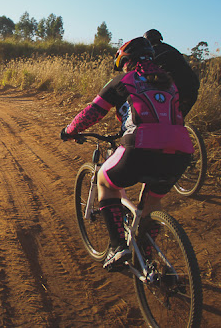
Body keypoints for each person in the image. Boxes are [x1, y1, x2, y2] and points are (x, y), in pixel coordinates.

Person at [61, 37, 194, 271]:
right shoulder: (169, 84)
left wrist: (70, 130)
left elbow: (92, 112)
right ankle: (147, 257)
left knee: (104, 180)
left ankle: (117, 247)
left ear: (127, 61)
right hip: (180, 150)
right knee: (153, 202)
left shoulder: (124, 80)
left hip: (140, 146)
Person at [143, 29, 200, 117]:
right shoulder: (172, 49)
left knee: (160, 116)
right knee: (178, 119)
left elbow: (144, 71)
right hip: (193, 89)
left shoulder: (152, 51)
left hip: (176, 89)